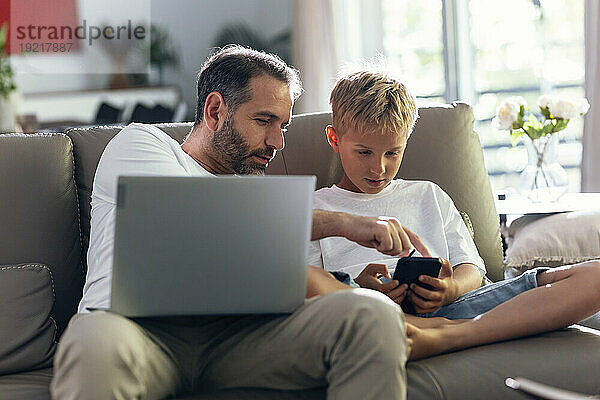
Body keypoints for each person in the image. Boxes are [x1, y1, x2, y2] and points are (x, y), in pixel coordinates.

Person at [50, 46, 424, 400]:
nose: (277, 141)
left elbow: (291, 280)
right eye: (264, 120)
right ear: (214, 111)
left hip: (243, 337)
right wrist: (345, 223)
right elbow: (194, 221)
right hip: (136, 332)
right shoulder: (141, 145)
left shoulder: (257, 194)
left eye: (284, 126)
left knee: (373, 316)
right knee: (92, 341)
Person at [308, 70, 600, 360]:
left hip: (453, 309)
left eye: (392, 153)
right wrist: (360, 287)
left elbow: (472, 269)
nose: (379, 168)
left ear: (406, 141)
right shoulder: (313, 211)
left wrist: (451, 289)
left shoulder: (428, 195)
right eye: (364, 153)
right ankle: (457, 331)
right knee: (347, 305)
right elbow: (309, 289)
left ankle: (445, 331)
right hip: (363, 311)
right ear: (335, 139)